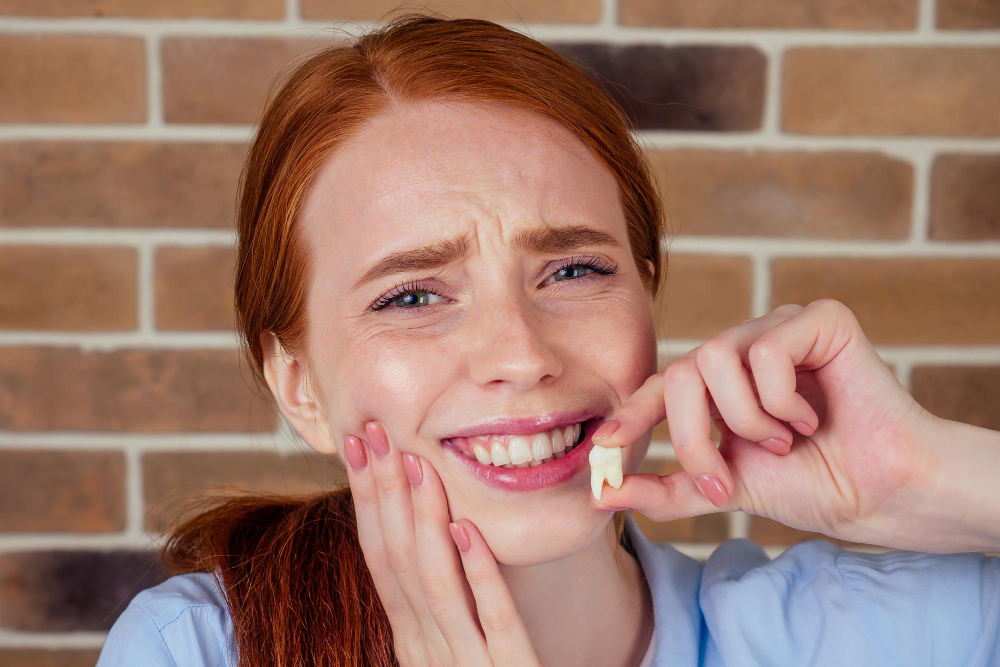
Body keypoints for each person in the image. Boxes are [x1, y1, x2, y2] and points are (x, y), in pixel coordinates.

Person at [96, 12, 1000, 667]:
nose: (522, 355)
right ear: (299, 386)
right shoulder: (194, 650)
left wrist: (923, 475)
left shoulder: (864, 635)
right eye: (412, 295)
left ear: (647, 292)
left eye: (572, 271)